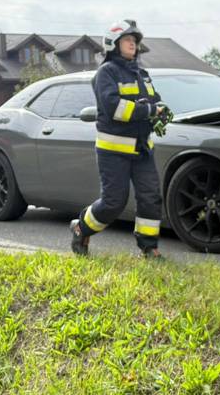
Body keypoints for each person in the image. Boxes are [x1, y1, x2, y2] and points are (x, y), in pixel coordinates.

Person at [70, 19, 170, 258]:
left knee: (150, 198)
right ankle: (81, 228)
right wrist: (147, 111)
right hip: (113, 152)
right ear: (113, 43)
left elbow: (153, 99)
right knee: (114, 203)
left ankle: (149, 247)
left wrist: (160, 110)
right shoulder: (106, 73)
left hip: (143, 150)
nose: (132, 44)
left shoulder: (141, 73)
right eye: (127, 40)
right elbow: (116, 108)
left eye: (134, 40)